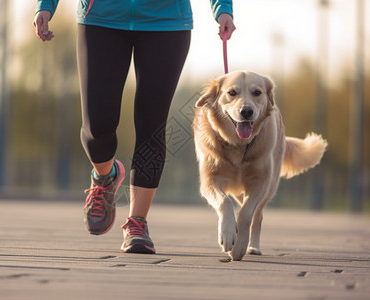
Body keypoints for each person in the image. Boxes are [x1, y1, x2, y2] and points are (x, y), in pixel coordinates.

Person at [33, 0, 236, 254]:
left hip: (166, 21)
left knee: (152, 123)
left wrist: (223, 9)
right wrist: (45, 6)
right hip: (101, 18)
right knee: (97, 125)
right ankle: (105, 176)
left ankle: (137, 223)